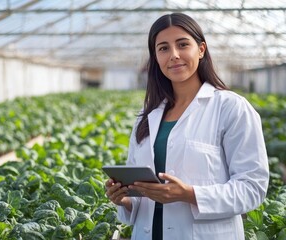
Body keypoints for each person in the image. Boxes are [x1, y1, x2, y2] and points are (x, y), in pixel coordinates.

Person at [105, 12, 269, 240]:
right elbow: (140, 197)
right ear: (155, 57)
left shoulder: (231, 107)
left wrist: (189, 194)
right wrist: (123, 199)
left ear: (201, 50)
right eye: (163, 48)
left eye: (182, 45)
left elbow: (252, 189)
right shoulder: (147, 116)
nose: (173, 55)